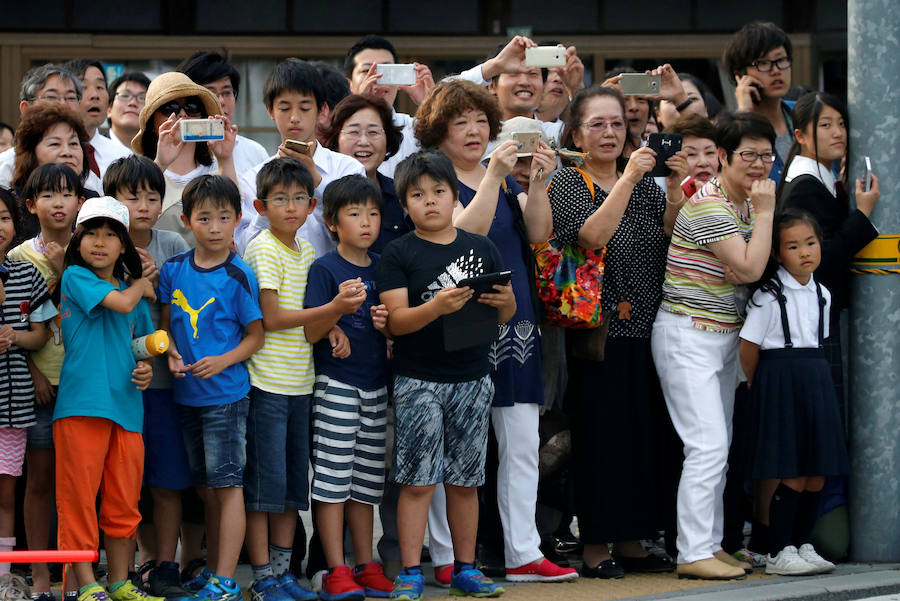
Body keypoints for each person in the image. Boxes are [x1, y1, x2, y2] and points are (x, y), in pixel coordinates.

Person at [414, 79, 575, 585]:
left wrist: (539, 185)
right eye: (460, 122)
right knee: (453, 447)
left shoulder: (504, 178)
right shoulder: (433, 179)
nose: (473, 130)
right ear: (438, 132)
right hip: (458, 323)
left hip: (516, 322)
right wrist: (495, 176)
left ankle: (522, 551)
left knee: (523, 441)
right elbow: (463, 235)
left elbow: (537, 235)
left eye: (481, 121)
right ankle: (444, 557)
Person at [547, 85, 681, 579]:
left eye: (618, 124)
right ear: (576, 133)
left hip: (650, 324)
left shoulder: (647, 184)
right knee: (601, 438)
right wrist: (627, 178)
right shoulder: (568, 182)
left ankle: (632, 538)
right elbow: (591, 237)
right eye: (597, 124)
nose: (609, 132)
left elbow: (666, 236)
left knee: (642, 436)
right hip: (596, 331)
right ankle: (594, 543)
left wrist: (670, 193)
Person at [376, 150, 515, 601]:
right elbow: (396, 322)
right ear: (405, 204)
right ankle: (412, 571)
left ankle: (466, 568)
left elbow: (503, 315)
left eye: (439, 192)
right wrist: (435, 307)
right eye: (418, 195)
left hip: (474, 376)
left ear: (456, 196)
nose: (430, 201)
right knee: (417, 481)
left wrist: (504, 303)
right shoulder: (398, 253)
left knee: (466, 480)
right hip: (418, 379)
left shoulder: (481, 248)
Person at [651, 112, 777, 580]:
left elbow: (750, 264)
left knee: (717, 448)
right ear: (724, 156)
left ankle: (710, 544)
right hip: (688, 334)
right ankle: (692, 552)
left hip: (723, 334)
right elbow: (748, 269)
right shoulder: (709, 204)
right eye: (749, 155)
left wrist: (749, 251)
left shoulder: (745, 200)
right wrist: (761, 224)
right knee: (706, 446)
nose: (759, 164)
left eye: (766, 154)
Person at [158, 175, 264, 601]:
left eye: (224, 217)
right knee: (205, 487)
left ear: (238, 220)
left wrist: (222, 360)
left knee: (228, 484)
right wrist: (169, 355)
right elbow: (165, 329)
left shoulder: (240, 274)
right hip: (185, 395)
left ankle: (225, 580)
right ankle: (212, 569)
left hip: (227, 397)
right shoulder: (173, 270)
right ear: (187, 220)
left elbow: (256, 336)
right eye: (205, 217)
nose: (215, 226)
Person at [53, 196, 157, 601]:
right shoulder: (76, 278)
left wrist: (147, 369)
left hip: (127, 408)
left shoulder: (128, 288)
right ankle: (86, 585)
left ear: (124, 245)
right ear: (77, 240)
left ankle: (119, 582)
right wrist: (143, 284)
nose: (99, 242)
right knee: (77, 500)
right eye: (91, 233)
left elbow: (140, 346)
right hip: (81, 406)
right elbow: (122, 302)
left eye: (110, 235)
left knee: (123, 502)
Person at [102, 155, 193, 600]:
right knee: (125, 483)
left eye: (152, 196)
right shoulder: (100, 246)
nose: (143, 204)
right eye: (131, 195)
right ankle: (134, 564)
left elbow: (181, 308)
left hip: (163, 385)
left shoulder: (172, 244)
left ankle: (168, 564)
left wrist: (156, 287)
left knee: (168, 479)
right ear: (111, 201)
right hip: (116, 385)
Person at [739, 209, 849, 575]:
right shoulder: (769, 296)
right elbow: (749, 347)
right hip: (780, 379)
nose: (805, 252)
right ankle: (777, 551)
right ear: (776, 253)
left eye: (811, 243)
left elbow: (820, 340)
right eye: (793, 246)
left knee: (817, 470)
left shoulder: (822, 293)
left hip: (815, 376)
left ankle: (804, 543)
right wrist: (757, 381)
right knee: (790, 470)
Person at [304, 175, 394, 600]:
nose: (366, 222)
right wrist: (335, 319)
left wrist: (387, 328)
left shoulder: (384, 266)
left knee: (365, 484)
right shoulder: (325, 269)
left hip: (377, 387)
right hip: (337, 385)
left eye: (373, 213)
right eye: (355, 214)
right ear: (332, 222)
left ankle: (366, 563)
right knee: (333, 481)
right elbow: (310, 330)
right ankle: (335, 567)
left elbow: (396, 324)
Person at [241, 158, 322, 601]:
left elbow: (309, 320)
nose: (290, 207)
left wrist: (337, 327)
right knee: (263, 489)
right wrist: (332, 314)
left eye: (298, 198)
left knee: (292, 486)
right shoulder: (263, 247)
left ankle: (281, 570)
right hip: (266, 385)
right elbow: (271, 318)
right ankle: (262, 576)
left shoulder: (306, 249)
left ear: (312, 205)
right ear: (260, 205)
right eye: (279, 199)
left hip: (301, 385)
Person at [8, 163, 83, 601]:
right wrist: (35, 371)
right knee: (38, 482)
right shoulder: (18, 258)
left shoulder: (94, 247)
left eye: (67, 194)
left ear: (79, 201)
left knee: (77, 485)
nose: (59, 203)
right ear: (30, 205)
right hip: (39, 385)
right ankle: (39, 580)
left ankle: (76, 579)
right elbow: (17, 326)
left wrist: (64, 267)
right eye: (48, 195)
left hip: (83, 384)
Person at [236, 58, 364, 255]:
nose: (294, 117)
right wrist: (267, 207)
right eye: (285, 108)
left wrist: (318, 182)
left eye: (304, 108)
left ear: (322, 111)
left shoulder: (348, 169)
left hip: (336, 285)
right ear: (270, 111)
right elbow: (243, 247)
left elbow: (358, 231)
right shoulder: (253, 178)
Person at [0, 187, 56, 592]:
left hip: (12, 404)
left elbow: (40, 334)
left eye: (3, 217)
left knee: (6, 497)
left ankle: (4, 576)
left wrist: (15, 338)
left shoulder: (25, 273)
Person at [132, 72, 238, 244]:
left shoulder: (219, 170)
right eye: (170, 108)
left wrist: (225, 158)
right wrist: (161, 163)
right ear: (152, 123)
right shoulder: (136, 172)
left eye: (192, 107)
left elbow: (234, 219)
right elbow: (136, 213)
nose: (182, 114)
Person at [323, 94, 410, 253]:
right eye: (354, 132)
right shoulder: (319, 190)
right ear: (336, 139)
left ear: (387, 139)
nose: (363, 141)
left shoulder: (402, 195)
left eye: (373, 132)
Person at [344, 35, 434, 178]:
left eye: (386, 72)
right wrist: (361, 105)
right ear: (350, 84)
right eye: (367, 71)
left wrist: (431, 104)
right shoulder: (337, 129)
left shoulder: (414, 129)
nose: (377, 79)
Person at [177, 52, 270, 176]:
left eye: (227, 93)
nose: (220, 101)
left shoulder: (254, 152)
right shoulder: (171, 152)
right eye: (210, 93)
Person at [723, 21, 795, 182]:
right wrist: (745, 115)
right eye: (763, 63)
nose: (776, 70)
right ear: (740, 74)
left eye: (781, 60)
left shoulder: (804, 116)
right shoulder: (729, 129)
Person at [0, 64, 90, 191]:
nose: (63, 105)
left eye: (70, 98)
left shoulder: (89, 180)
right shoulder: (4, 169)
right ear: (26, 109)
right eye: (51, 97)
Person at [11, 104, 96, 237]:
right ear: (31, 154)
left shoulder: (93, 203)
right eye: (55, 144)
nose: (67, 152)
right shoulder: (11, 206)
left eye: (73, 143)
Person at [62, 59, 131, 177]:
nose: (95, 95)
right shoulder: (51, 154)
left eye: (100, 87)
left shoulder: (123, 156)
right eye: (83, 87)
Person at [106, 72, 151, 156]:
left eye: (142, 98)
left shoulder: (159, 156)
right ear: (109, 109)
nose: (133, 103)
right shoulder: (91, 152)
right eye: (125, 95)